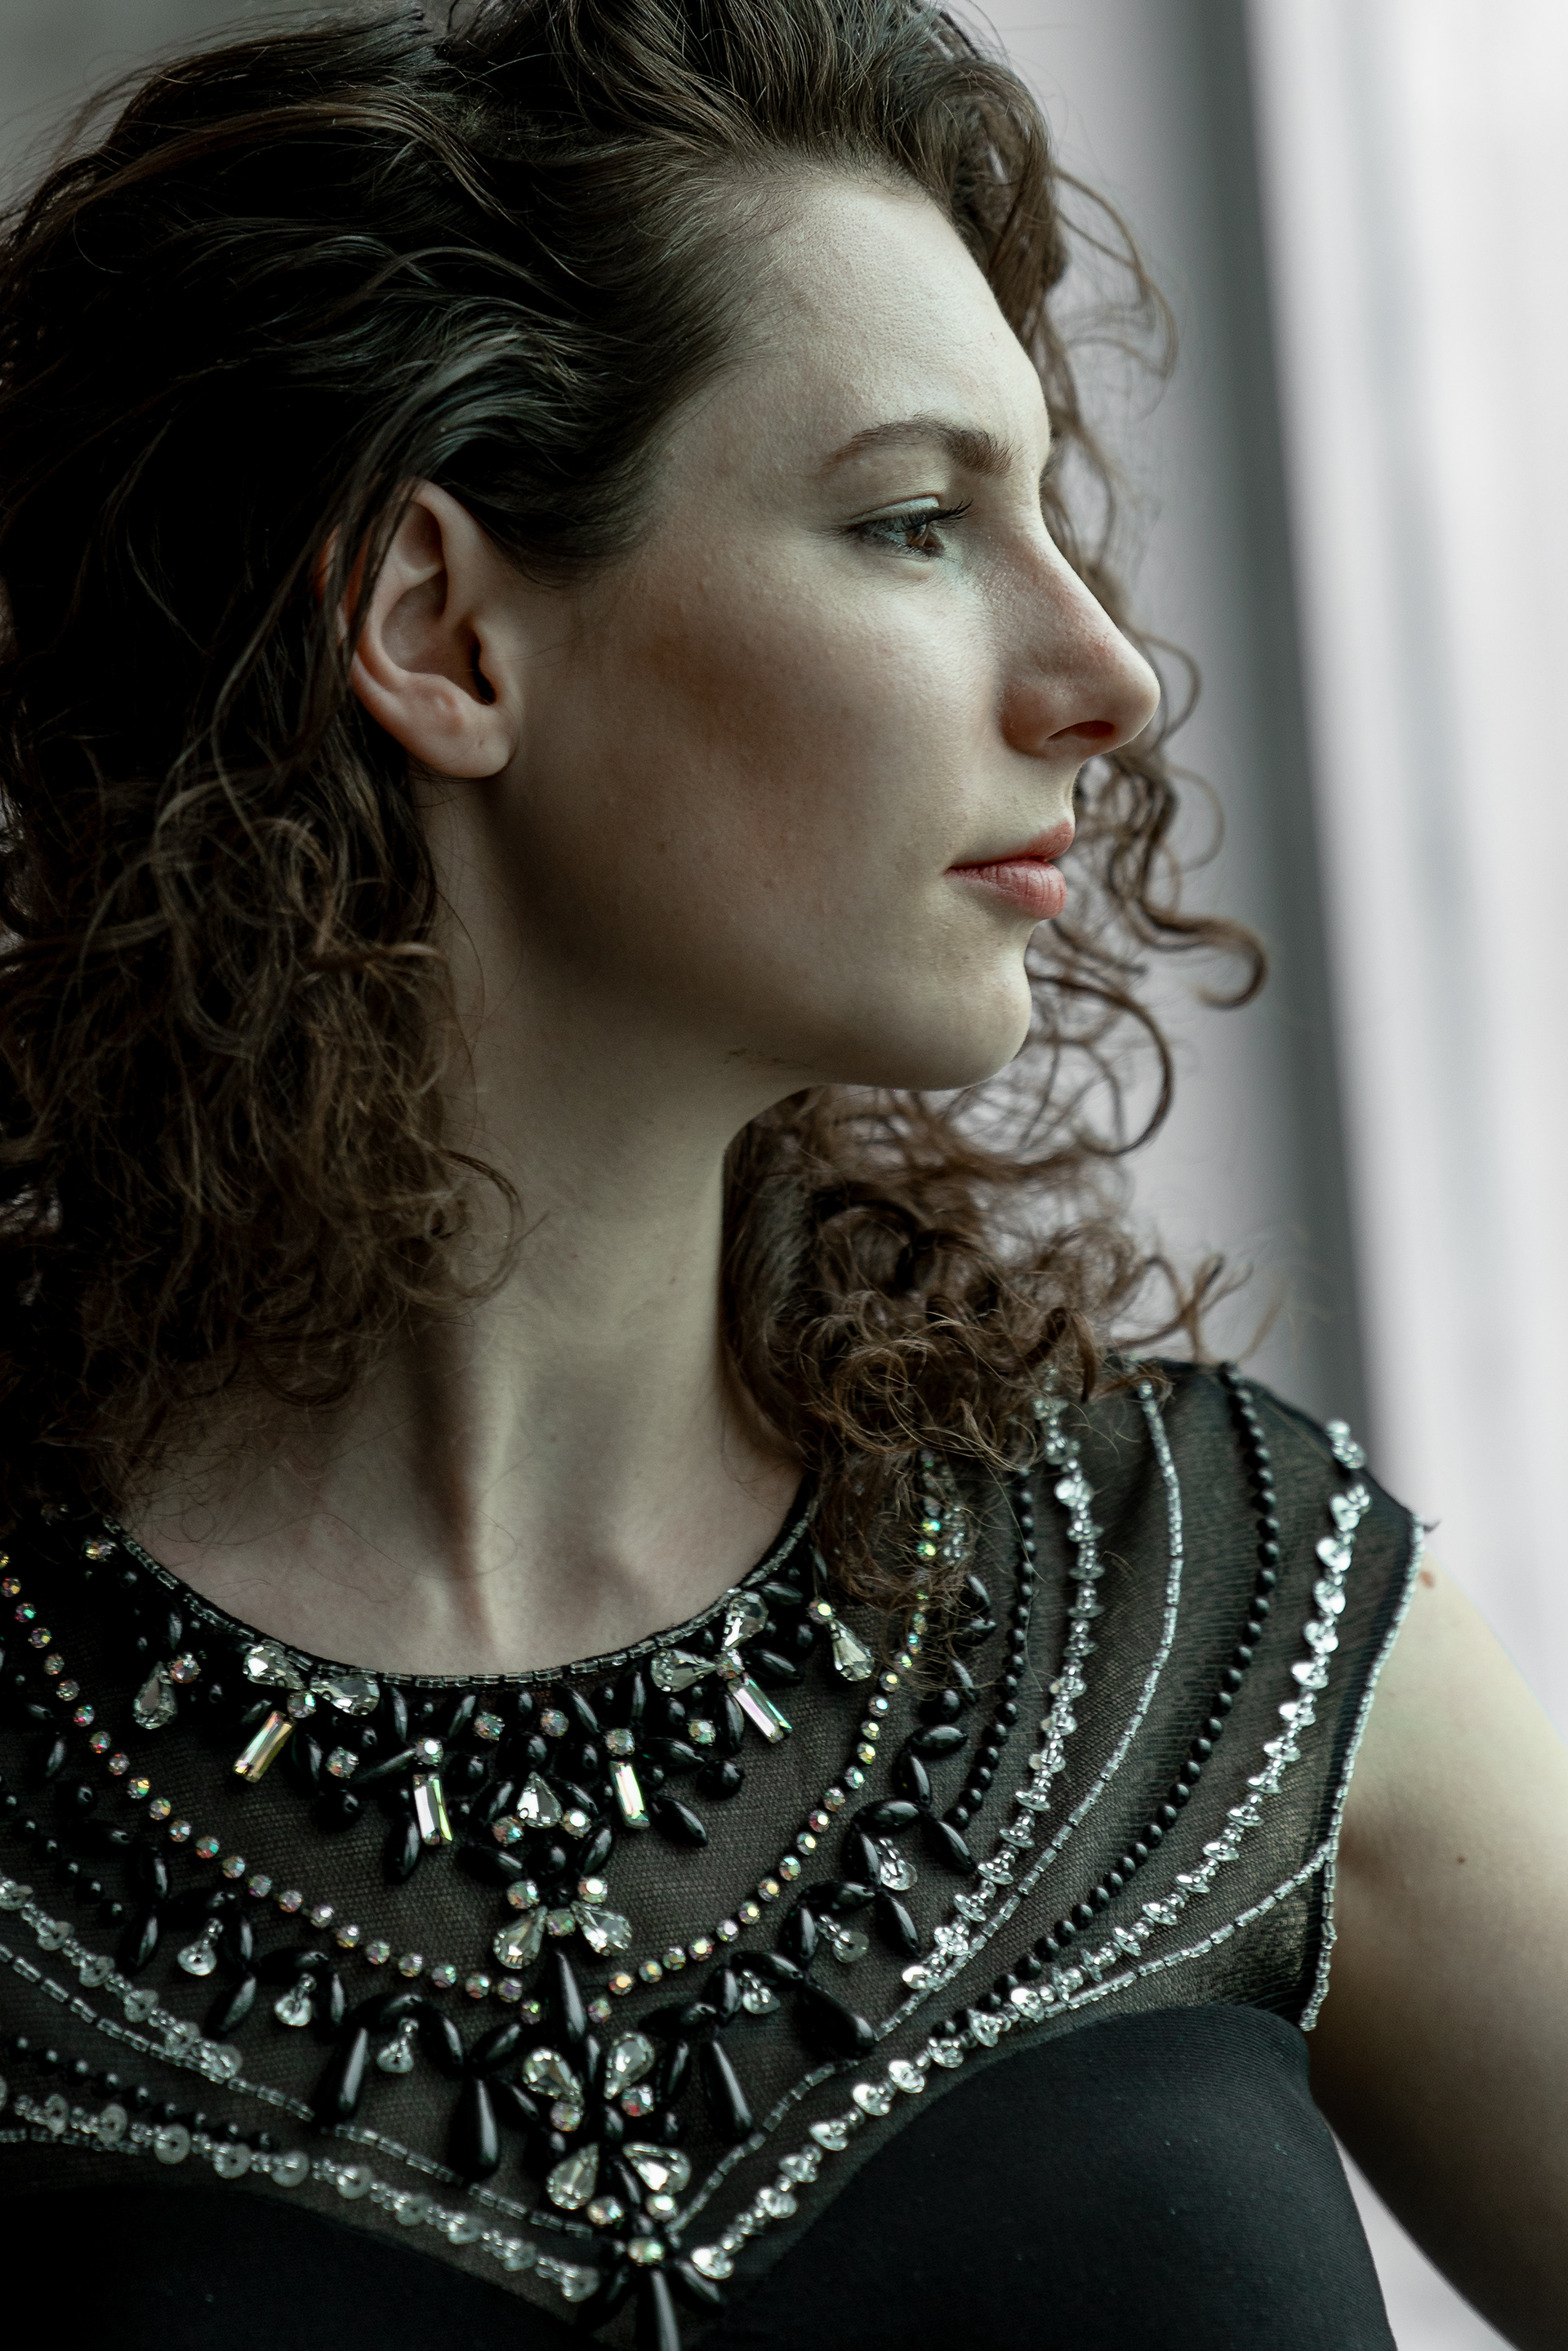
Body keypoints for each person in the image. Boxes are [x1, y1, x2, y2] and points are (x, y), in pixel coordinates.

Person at [0, 4, 1561, 2346]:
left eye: (1050, 514)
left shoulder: (1213, 1621)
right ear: (440, 630)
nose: (1110, 673)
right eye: (914, 522)